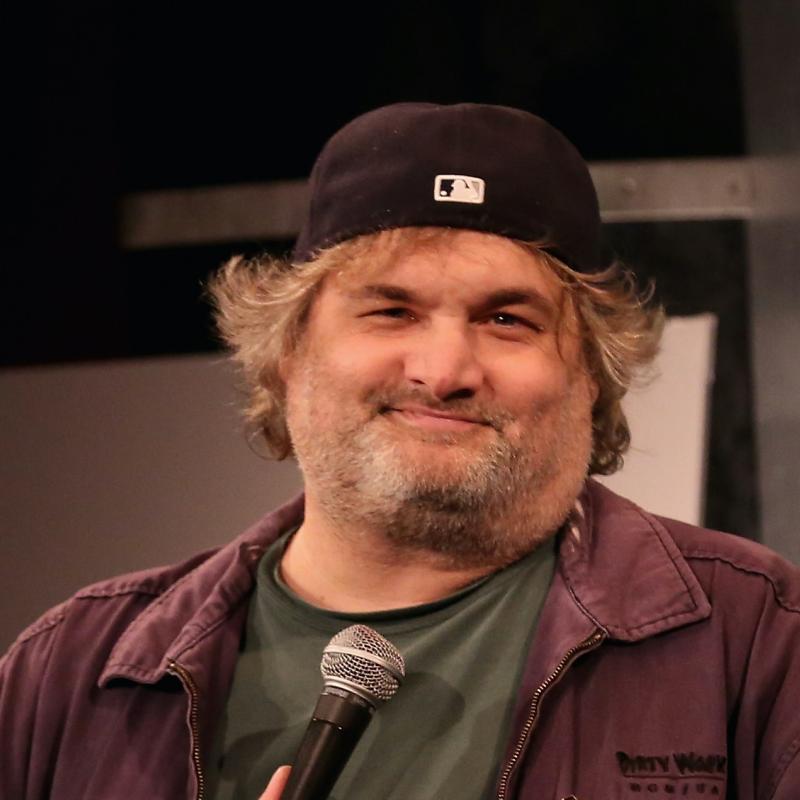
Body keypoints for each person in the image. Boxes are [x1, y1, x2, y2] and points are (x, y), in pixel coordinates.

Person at [1, 102, 798, 800]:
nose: (444, 371)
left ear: (590, 374)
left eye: (507, 320)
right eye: (391, 311)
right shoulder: (69, 672)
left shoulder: (759, 640)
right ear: (287, 356)